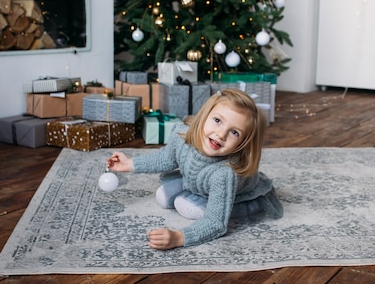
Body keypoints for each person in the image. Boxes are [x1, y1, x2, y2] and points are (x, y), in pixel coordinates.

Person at [106, 88, 283, 250]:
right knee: (162, 196)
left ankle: (251, 205)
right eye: (217, 121)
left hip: (234, 192)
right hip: (197, 180)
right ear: (205, 115)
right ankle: (194, 192)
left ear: (242, 143)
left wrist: (178, 238)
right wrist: (130, 164)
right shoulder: (182, 135)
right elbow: (165, 159)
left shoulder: (224, 175)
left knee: (187, 208)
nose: (221, 135)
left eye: (234, 132)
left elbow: (215, 223)